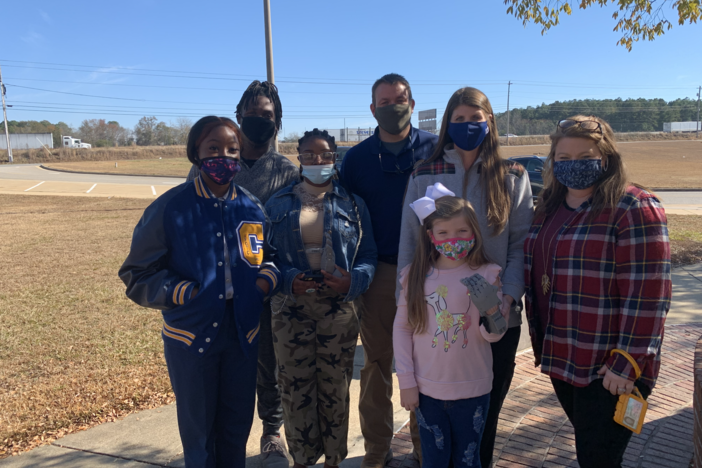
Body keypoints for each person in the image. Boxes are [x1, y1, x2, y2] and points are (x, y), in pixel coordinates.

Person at [119, 116, 280, 467]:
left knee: (237, 428)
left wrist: (262, 284)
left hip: (243, 333)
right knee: (200, 436)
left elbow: (270, 258)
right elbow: (136, 275)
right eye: (213, 149)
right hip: (190, 336)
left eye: (232, 150)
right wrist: (184, 293)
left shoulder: (252, 208)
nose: (224, 157)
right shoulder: (171, 208)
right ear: (196, 153)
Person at [523, 116, 671, 468]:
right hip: (563, 357)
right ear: (552, 161)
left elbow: (649, 295)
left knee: (598, 458)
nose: (573, 165)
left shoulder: (633, 207)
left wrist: (627, 364)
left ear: (606, 158)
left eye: (585, 155)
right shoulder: (548, 207)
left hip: (609, 368)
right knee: (594, 454)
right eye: (563, 158)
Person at [397, 87, 533, 468]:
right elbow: (410, 241)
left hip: (494, 313)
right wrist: (404, 301)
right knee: (433, 419)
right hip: (435, 318)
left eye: (476, 119)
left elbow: (520, 245)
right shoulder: (425, 174)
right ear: (446, 125)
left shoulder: (512, 175)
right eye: (459, 119)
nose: (468, 126)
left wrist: (507, 297)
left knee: (482, 422)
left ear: (490, 122)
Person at [187, 81, 299, 466]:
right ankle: (220, 439)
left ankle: (271, 433)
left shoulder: (285, 170)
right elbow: (192, 220)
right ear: (238, 118)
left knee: (269, 361)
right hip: (221, 288)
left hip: (268, 286)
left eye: (266, 116)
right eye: (251, 115)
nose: (258, 121)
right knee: (222, 365)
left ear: (277, 121)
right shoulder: (213, 166)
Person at [339, 73, 439, 468]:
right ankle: (378, 451)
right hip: (379, 272)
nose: (392, 107)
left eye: (399, 100)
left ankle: (422, 448)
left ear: (412, 105)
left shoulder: (435, 150)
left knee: (426, 364)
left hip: (429, 273)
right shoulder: (357, 158)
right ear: (372, 108)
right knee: (377, 365)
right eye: (384, 102)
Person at [265, 129, 377, 468]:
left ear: (334, 158)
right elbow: (263, 257)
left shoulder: (354, 205)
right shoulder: (277, 203)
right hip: (290, 309)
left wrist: (353, 281)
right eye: (310, 154)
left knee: (335, 389)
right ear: (298, 157)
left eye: (325, 154)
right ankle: (301, 460)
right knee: (294, 388)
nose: (318, 161)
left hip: (338, 310)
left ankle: (333, 460)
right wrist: (285, 279)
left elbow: (368, 255)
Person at [395, 188, 506, 468]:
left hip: (474, 389)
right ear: (431, 236)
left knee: (468, 460)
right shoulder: (416, 276)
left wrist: (491, 310)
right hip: (427, 391)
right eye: (443, 233)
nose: (453, 239)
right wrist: (406, 381)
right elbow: (402, 329)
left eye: (462, 231)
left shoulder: (487, 274)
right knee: (433, 461)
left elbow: (494, 334)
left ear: (474, 233)